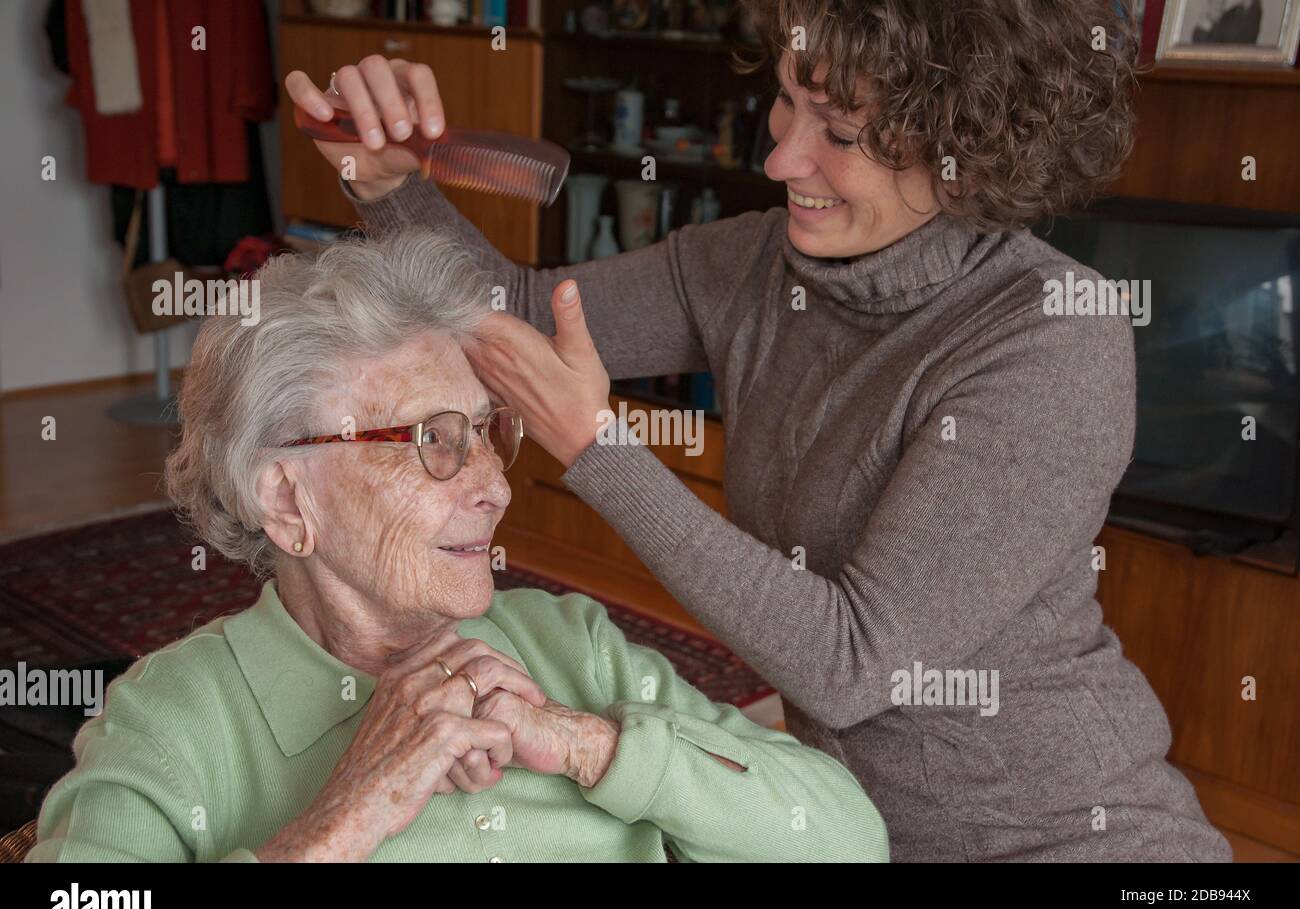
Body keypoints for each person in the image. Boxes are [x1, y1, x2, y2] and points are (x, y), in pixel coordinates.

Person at [286, 0, 1232, 862]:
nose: (781, 158)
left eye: (844, 134)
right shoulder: (751, 264)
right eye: (788, 101)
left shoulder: (1054, 335)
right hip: (839, 827)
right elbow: (524, 318)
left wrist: (599, 450)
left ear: (970, 154)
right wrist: (386, 184)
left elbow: (854, 663)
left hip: (1065, 837)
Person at [27, 228, 888, 863]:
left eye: (487, 431)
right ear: (288, 498)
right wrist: (344, 820)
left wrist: (597, 746)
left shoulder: (570, 648)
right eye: (433, 440)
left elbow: (850, 839)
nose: (497, 484)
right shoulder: (172, 722)